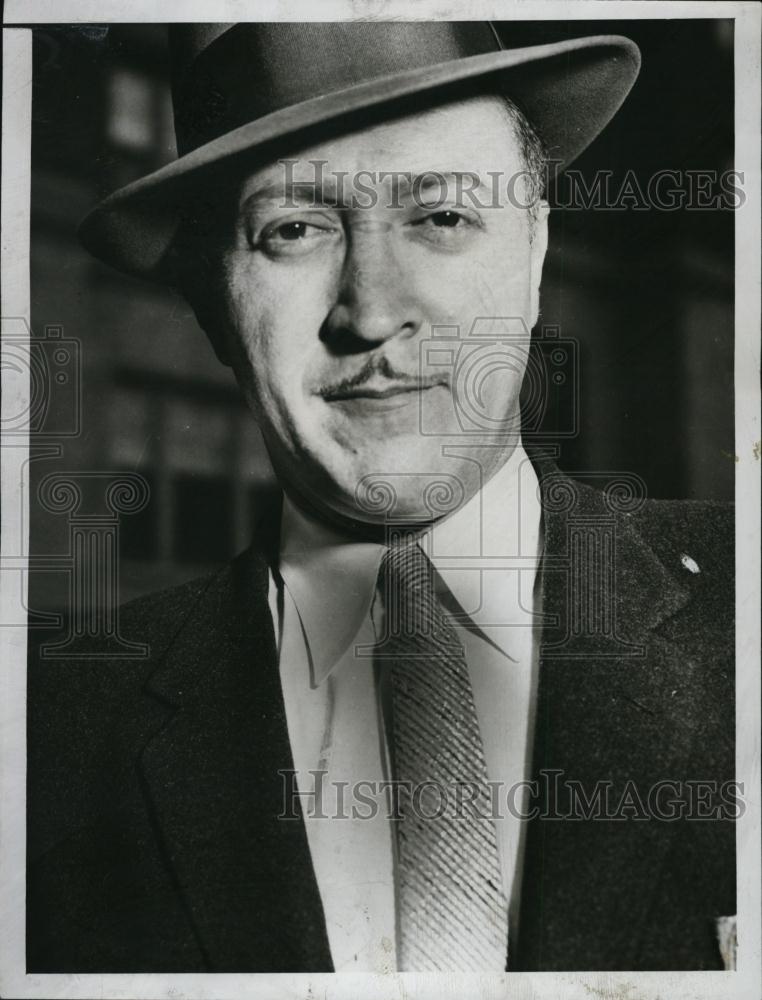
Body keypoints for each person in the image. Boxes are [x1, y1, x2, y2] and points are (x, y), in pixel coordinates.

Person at [27, 21, 735, 973]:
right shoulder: (46, 738)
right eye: (294, 229)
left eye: (441, 217)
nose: (371, 308)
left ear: (534, 254)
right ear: (211, 307)